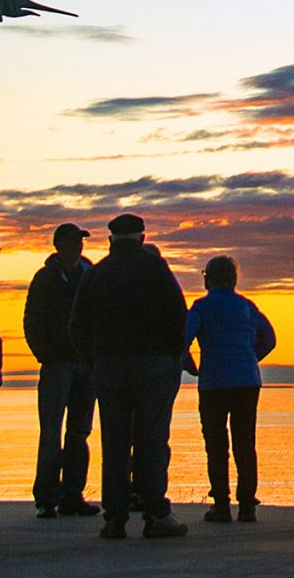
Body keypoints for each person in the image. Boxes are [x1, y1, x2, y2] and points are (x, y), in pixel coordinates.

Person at [68, 211, 189, 539]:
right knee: (152, 439)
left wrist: (92, 360)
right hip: (152, 364)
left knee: (115, 442)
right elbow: (178, 315)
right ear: (143, 238)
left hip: (108, 365)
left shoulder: (97, 273)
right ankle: (156, 513)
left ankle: (114, 517)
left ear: (110, 241)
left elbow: (77, 324)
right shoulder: (155, 269)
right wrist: (173, 355)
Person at [184, 254, 278, 523]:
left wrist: (191, 366)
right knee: (245, 443)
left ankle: (222, 505)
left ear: (208, 278)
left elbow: (184, 339)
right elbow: (270, 339)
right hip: (246, 381)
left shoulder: (201, 307)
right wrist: (249, 357)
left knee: (216, 444)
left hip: (214, 382)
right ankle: (247, 505)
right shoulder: (248, 307)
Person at [22, 223, 100, 518]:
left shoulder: (90, 276)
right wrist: (47, 355)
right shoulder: (45, 278)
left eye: (80, 242)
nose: (77, 246)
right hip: (57, 365)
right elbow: (32, 321)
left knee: (80, 432)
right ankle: (46, 498)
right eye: (71, 242)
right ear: (59, 245)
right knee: (51, 433)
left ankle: (73, 494)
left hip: (85, 365)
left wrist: (93, 355)